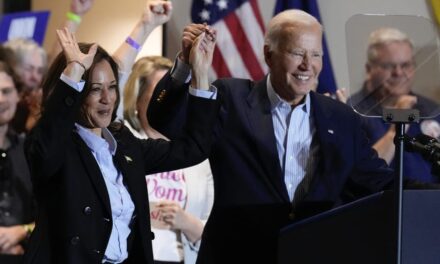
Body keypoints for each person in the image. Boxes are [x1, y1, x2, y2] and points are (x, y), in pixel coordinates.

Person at [147, 10, 398, 263]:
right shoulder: (231, 98)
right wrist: (184, 66)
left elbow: (377, 181)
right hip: (237, 256)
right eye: (297, 53)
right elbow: (166, 121)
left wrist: (431, 194)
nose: (307, 65)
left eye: (316, 55)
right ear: (269, 54)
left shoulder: (341, 118)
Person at [22, 16, 217, 263]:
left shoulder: (124, 144)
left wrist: (195, 71)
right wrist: (72, 73)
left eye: (112, 87)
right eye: (95, 89)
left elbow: (193, 149)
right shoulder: (55, 146)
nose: (107, 98)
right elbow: (45, 152)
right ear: (77, 92)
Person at [123, 56, 214, 264]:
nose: (170, 100)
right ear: (138, 98)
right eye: (160, 91)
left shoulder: (197, 158)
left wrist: (188, 222)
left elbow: (214, 230)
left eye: (177, 93)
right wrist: (144, 27)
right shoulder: (126, 146)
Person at [348, 27, 440, 183]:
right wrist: (397, 125)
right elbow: (358, 177)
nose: (398, 73)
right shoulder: (351, 112)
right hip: (379, 204)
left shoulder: (432, 110)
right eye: (388, 66)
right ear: (369, 69)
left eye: (405, 65)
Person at [0, 51, 35, 264]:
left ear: (18, 96)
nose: (1, 99)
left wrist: (22, 231)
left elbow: (50, 214)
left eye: (6, 91)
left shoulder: (29, 150)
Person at [3, 38, 47, 134]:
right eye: (29, 69)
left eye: (39, 71)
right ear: (11, 67)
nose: (35, 77)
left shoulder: (37, 103)